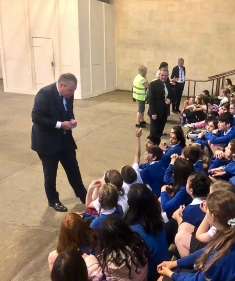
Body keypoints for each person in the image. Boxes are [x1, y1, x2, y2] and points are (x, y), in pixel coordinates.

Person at [157, 190, 235, 281]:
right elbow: (208, 249)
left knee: (163, 279)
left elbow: (197, 280)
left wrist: (171, 274)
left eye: (207, 209)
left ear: (212, 217)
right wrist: (176, 263)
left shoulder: (218, 259)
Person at [31, 73, 87, 212]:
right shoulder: (44, 94)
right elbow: (36, 117)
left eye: (74, 90)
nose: (72, 93)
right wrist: (60, 125)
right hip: (46, 142)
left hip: (65, 139)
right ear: (61, 85)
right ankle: (53, 200)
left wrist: (72, 120)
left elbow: (68, 111)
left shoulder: (68, 94)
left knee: (73, 169)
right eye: (70, 90)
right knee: (50, 174)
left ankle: (84, 196)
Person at [124, 184, 169, 281]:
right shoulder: (157, 221)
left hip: (149, 275)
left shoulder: (132, 231)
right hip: (163, 270)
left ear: (130, 204)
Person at [84, 216, 149, 281]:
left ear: (105, 239)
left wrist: (90, 261)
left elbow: (103, 277)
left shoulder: (109, 260)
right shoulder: (139, 243)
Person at [148, 68, 173, 137]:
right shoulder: (153, 84)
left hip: (164, 112)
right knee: (153, 133)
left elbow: (172, 96)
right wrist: (153, 113)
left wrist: (170, 100)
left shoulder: (168, 84)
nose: (164, 77)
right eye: (162, 75)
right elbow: (151, 99)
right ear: (159, 75)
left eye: (165, 75)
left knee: (160, 131)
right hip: (155, 112)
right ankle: (151, 147)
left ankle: (157, 146)